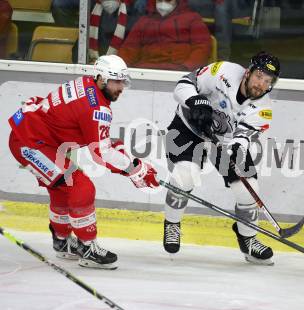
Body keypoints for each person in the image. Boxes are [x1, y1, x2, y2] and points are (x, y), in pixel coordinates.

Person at [8, 55, 159, 270]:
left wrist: (120, 155)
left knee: (62, 187)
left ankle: (62, 242)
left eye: (123, 81)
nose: (121, 87)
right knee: (81, 185)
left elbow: (92, 137)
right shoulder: (97, 107)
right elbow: (100, 153)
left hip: (31, 136)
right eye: (116, 81)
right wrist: (136, 170)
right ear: (102, 79)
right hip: (32, 143)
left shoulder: (87, 84)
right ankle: (87, 246)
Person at [163, 52, 280, 265]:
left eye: (267, 81)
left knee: (248, 188)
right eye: (259, 76)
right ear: (248, 72)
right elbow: (182, 85)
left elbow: (242, 140)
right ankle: (172, 223)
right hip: (188, 126)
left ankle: (248, 239)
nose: (261, 84)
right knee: (185, 175)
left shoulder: (263, 110)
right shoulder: (223, 71)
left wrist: (233, 148)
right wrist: (196, 102)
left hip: (224, 141)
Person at [118, 0, 211, 71]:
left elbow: (202, 46)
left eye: (168, 0)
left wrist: (187, 69)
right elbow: (129, 48)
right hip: (146, 71)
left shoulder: (192, 18)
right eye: (159, 0)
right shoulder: (143, 21)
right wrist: (121, 69)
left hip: (179, 72)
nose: (163, 4)